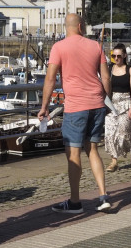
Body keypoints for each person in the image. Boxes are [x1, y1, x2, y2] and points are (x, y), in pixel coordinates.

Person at [38, 14, 111, 213]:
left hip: (76, 106)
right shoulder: (95, 46)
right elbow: (105, 77)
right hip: (97, 104)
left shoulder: (59, 48)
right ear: (80, 26)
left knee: (73, 153)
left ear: (67, 27)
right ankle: (103, 195)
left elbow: (50, 79)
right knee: (93, 150)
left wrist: (44, 106)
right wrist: (107, 100)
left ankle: (75, 201)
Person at [104, 43, 131, 172]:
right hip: (112, 104)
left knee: (124, 131)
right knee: (110, 133)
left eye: (119, 56)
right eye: (114, 56)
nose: (116, 58)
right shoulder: (110, 69)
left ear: (124, 56)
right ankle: (114, 161)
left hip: (126, 103)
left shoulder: (130, 70)